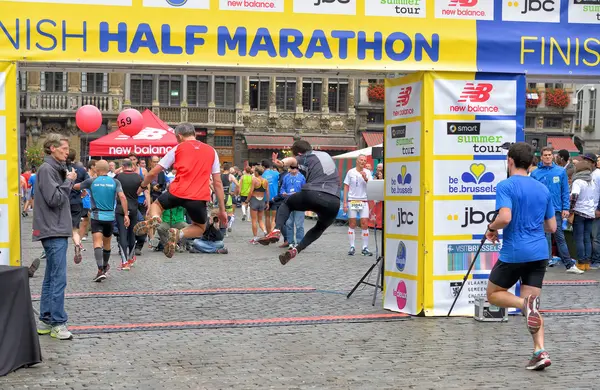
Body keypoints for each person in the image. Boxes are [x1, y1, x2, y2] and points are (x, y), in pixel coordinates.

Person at [485, 142, 556, 371]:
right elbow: (552, 226)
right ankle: (540, 350)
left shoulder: (506, 185)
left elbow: (505, 217)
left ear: (510, 161)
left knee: (494, 294)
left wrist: (491, 227)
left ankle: (523, 305)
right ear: (531, 163)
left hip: (515, 252)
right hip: (539, 253)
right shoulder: (543, 188)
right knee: (533, 305)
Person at [133, 123, 226, 258]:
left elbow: (153, 172)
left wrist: (142, 186)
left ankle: (154, 219)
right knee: (200, 228)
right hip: (198, 196)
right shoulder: (212, 151)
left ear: (180, 136)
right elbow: (217, 182)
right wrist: (222, 210)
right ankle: (179, 233)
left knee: (156, 205)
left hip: (177, 191)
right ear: (194, 133)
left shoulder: (177, 148)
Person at [259, 140, 341, 265]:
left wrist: (281, 163)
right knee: (319, 228)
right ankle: (297, 249)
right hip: (334, 201)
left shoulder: (306, 156)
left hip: (314, 193)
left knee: (287, 203)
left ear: (299, 153)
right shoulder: (324, 155)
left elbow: (292, 161)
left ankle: (276, 230)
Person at [33, 133, 78, 340]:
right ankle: (58, 323)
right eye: (64, 148)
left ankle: (45, 319)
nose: (67, 152)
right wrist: (68, 182)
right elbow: (54, 199)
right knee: (58, 278)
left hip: (54, 227)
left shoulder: (53, 169)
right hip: (53, 228)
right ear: (52, 148)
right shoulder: (47, 169)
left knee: (51, 277)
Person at [75, 160, 129, 282]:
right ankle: (105, 266)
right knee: (107, 244)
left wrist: (71, 180)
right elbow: (122, 197)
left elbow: (76, 186)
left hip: (96, 216)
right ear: (108, 170)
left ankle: (100, 270)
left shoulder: (92, 181)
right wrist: (126, 214)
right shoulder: (115, 181)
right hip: (110, 217)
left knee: (97, 243)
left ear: (97, 170)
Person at [530, 147, 581, 274]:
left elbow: (564, 191)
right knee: (542, 236)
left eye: (549, 155)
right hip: (540, 209)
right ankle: (543, 263)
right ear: (541, 157)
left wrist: (565, 208)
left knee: (559, 237)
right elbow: (532, 192)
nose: (547, 157)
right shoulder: (535, 173)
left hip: (556, 209)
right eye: (545, 155)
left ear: (553, 156)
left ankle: (569, 265)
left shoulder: (560, 172)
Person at [114, 158, 146, 270]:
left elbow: (114, 190)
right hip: (133, 207)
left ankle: (124, 262)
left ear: (122, 166)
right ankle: (131, 258)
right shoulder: (138, 177)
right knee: (132, 233)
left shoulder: (118, 177)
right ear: (132, 166)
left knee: (122, 234)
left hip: (120, 208)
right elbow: (142, 189)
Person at [569, 153, 599, 272]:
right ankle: (587, 262)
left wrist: (571, 210)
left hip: (580, 212)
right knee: (587, 238)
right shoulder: (591, 181)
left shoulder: (578, 181)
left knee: (579, 238)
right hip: (590, 212)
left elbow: (574, 196)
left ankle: (581, 262)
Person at [343, 154, 374, 256]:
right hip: (353, 200)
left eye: (364, 160)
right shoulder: (350, 172)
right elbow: (346, 186)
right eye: (361, 160)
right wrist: (344, 202)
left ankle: (365, 247)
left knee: (364, 223)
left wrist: (365, 178)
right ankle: (352, 246)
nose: (363, 162)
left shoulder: (368, 172)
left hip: (364, 201)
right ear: (357, 161)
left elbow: (371, 185)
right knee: (352, 223)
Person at [66, 149, 89, 265]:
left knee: (62, 228)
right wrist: (83, 189)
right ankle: (77, 243)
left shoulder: (60, 168)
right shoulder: (80, 169)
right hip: (76, 201)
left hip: (62, 202)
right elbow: (88, 181)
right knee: (75, 228)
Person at [280, 165, 306, 248]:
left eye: (295, 169)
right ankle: (290, 242)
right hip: (289, 203)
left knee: (299, 225)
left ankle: (299, 242)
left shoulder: (302, 178)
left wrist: (298, 194)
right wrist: (283, 192)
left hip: (299, 204)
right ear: (289, 169)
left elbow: (305, 190)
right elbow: (282, 188)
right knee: (289, 224)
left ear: (297, 169)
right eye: (291, 168)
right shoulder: (286, 177)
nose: (293, 170)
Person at [247, 165, 270, 244]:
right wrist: (267, 202)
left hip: (254, 200)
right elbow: (267, 192)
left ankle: (255, 238)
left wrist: (247, 200)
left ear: (256, 172)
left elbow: (250, 192)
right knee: (260, 219)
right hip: (262, 201)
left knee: (254, 220)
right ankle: (265, 231)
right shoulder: (265, 181)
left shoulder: (254, 180)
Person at [262, 159, 280, 233]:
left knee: (267, 217)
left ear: (263, 166)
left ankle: (268, 233)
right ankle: (272, 233)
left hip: (266, 198)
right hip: (275, 197)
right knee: (273, 218)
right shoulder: (276, 173)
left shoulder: (262, 175)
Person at [221, 162, 239, 232]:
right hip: (228, 196)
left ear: (223, 169)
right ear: (229, 169)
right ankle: (226, 225)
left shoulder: (219, 175)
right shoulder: (230, 176)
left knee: (221, 212)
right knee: (230, 214)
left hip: (220, 196)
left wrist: (216, 192)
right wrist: (234, 193)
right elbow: (237, 184)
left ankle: (222, 227)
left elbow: (212, 184)